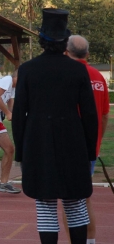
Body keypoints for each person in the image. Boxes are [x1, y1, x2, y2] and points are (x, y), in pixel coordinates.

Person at [12, 9, 98, 244]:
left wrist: (21, 151)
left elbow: (19, 114)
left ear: (42, 40)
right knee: (75, 202)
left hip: (38, 142)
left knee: (46, 204)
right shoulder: (78, 69)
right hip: (73, 142)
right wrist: (90, 151)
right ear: (65, 43)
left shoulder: (27, 70)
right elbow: (90, 115)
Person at [64, 35, 109, 244]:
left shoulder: (66, 75)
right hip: (90, 146)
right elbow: (104, 115)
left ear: (66, 52)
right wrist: (97, 141)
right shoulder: (99, 77)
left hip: (69, 146)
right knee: (84, 196)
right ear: (88, 54)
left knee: (68, 198)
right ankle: (90, 241)